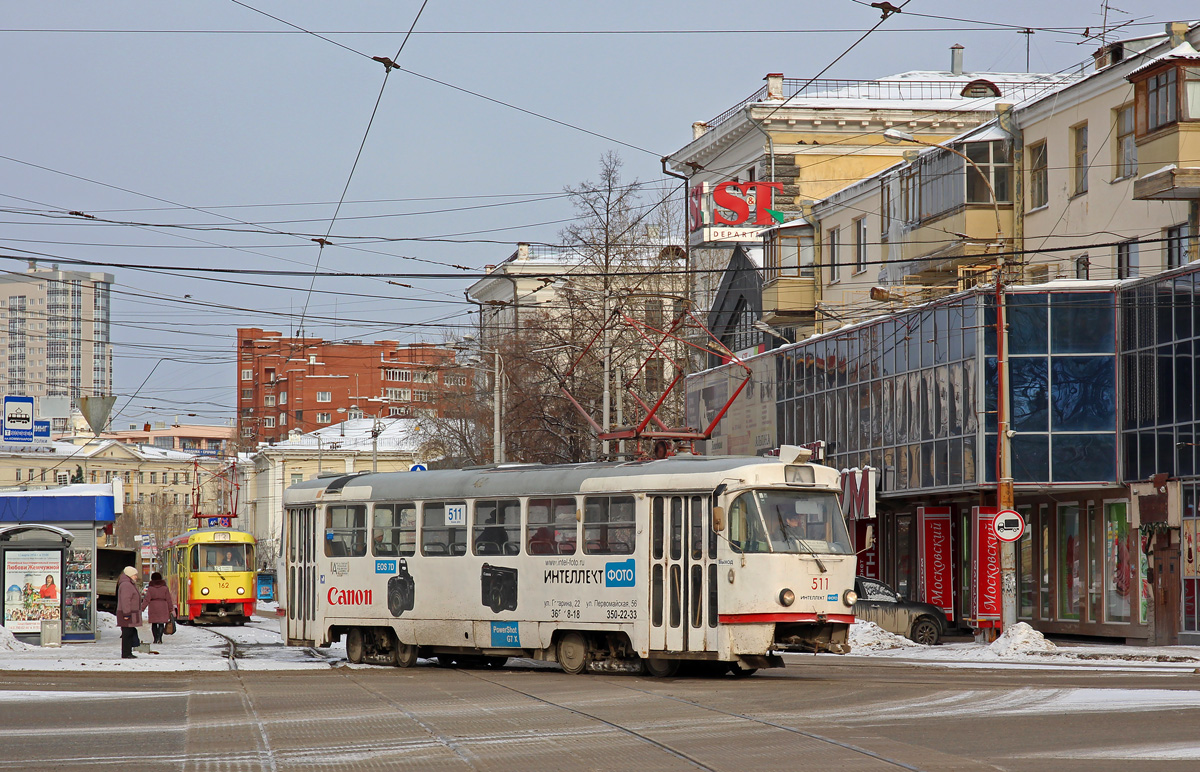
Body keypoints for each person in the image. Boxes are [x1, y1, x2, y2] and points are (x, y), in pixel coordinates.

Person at [115, 566, 143, 659]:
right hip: (127, 614)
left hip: (130, 613)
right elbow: (126, 600)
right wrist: (126, 614)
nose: (136, 577)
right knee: (127, 634)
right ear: (130, 575)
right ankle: (126, 653)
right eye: (135, 575)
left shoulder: (128, 584)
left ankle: (128, 652)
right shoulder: (127, 585)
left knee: (129, 632)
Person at [141, 572, 174, 645]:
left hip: (153, 607)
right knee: (161, 623)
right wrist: (170, 608)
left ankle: (155, 639)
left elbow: (146, 599)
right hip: (163, 606)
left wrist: (142, 608)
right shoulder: (165, 588)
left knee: (154, 624)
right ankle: (160, 638)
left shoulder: (150, 588)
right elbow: (169, 599)